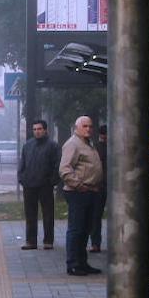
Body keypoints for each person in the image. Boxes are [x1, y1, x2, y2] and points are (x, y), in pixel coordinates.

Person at [59, 116, 103, 276]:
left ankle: (82, 262)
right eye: (85, 126)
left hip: (91, 191)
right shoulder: (72, 144)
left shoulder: (88, 144)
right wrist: (79, 185)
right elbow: (64, 169)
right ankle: (73, 264)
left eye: (90, 126)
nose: (88, 129)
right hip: (78, 192)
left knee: (85, 229)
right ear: (76, 127)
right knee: (76, 229)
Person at [17, 119, 60, 250]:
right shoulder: (27, 145)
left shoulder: (52, 146)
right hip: (29, 185)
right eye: (35, 129)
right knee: (30, 215)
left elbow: (57, 165)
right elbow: (22, 163)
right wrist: (21, 178)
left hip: (45, 185)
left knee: (48, 214)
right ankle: (31, 241)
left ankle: (48, 241)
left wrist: (52, 181)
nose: (37, 132)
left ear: (45, 130)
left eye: (39, 129)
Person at [88, 124, 108, 253]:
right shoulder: (96, 148)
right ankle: (95, 242)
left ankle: (96, 243)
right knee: (96, 215)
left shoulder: (95, 147)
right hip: (101, 185)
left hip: (100, 185)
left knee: (96, 215)